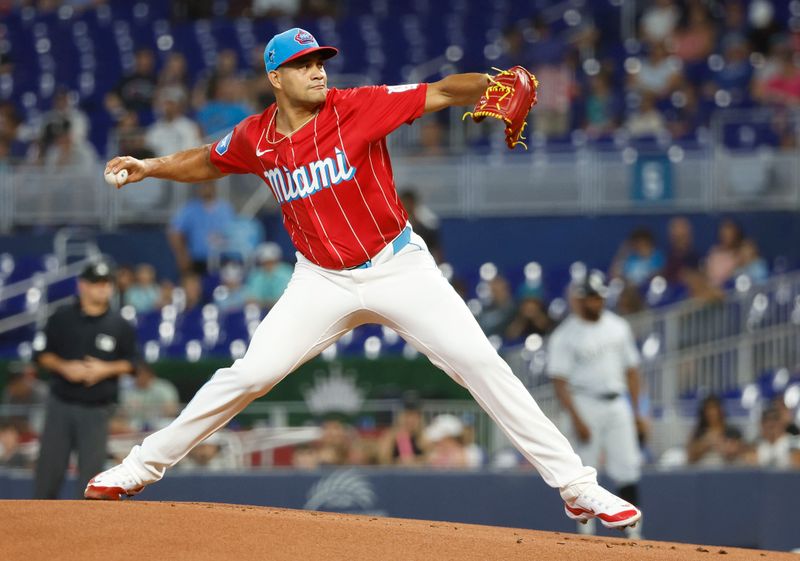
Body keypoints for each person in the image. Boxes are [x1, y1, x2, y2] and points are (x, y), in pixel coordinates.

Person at [90, 27, 641, 531]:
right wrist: (151, 165)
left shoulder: (358, 107)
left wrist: (494, 85)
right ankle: (139, 467)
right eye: (304, 64)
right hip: (321, 280)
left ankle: (577, 487)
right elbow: (209, 161)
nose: (319, 71)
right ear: (275, 77)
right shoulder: (257, 137)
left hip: (398, 266)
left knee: (481, 364)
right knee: (249, 374)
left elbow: (443, 91)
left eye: (321, 61)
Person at [547, 271, 645, 538]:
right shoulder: (565, 334)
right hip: (584, 402)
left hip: (617, 403)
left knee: (628, 466)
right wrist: (577, 418)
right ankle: (585, 535)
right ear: (579, 299)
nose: (595, 302)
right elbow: (559, 381)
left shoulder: (618, 327)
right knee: (584, 472)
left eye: (598, 296)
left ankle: (634, 534)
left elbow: (632, 371)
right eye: (590, 297)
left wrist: (639, 411)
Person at [34, 261, 137, 499]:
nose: (102, 288)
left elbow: (133, 364)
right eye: (96, 283)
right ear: (83, 285)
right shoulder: (62, 317)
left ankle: (87, 532)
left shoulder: (119, 325)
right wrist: (64, 367)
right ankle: (37, 530)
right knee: (49, 471)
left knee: (91, 476)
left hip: (97, 409)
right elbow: (41, 355)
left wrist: (105, 368)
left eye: (106, 283)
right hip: (61, 404)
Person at [168, 180, 236, 275]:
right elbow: (174, 231)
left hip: (222, 259)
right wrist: (182, 255)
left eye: (209, 185)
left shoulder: (225, 209)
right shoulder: (190, 209)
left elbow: (234, 232)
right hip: (197, 259)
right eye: (203, 186)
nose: (206, 189)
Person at [119, 362, 180, 432]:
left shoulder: (163, 387)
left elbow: (171, 410)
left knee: (168, 424)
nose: (137, 378)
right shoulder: (129, 390)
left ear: (149, 374)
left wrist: (152, 410)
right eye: (134, 375)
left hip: (160, 423)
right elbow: (123, 414)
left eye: (140, 374)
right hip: (136, 425)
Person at [244, 242, 293, 308]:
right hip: (262, 312)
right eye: (265, 262)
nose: (268, 265)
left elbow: (286, 299)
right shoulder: (256, 275)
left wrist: (263, 303)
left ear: (277, 260)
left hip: (284, 309)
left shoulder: (286, 272)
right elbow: (251, 300)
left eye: (271, 262)